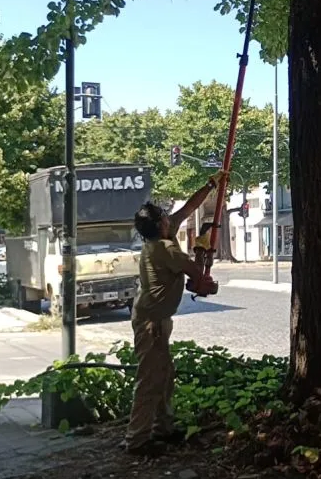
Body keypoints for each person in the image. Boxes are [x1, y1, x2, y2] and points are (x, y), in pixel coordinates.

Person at [123, 171, 227, 456]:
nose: (171, 216)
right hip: (151, 323)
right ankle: (137, 439)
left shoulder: (159, 238)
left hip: (154, 319)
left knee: (165, 374)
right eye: (166, 216)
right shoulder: (166, 249)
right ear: (161, 224)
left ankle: (162, 429)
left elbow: (188, 208)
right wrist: (201, 252)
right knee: (150, 378)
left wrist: (211, 185)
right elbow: (201, 283)